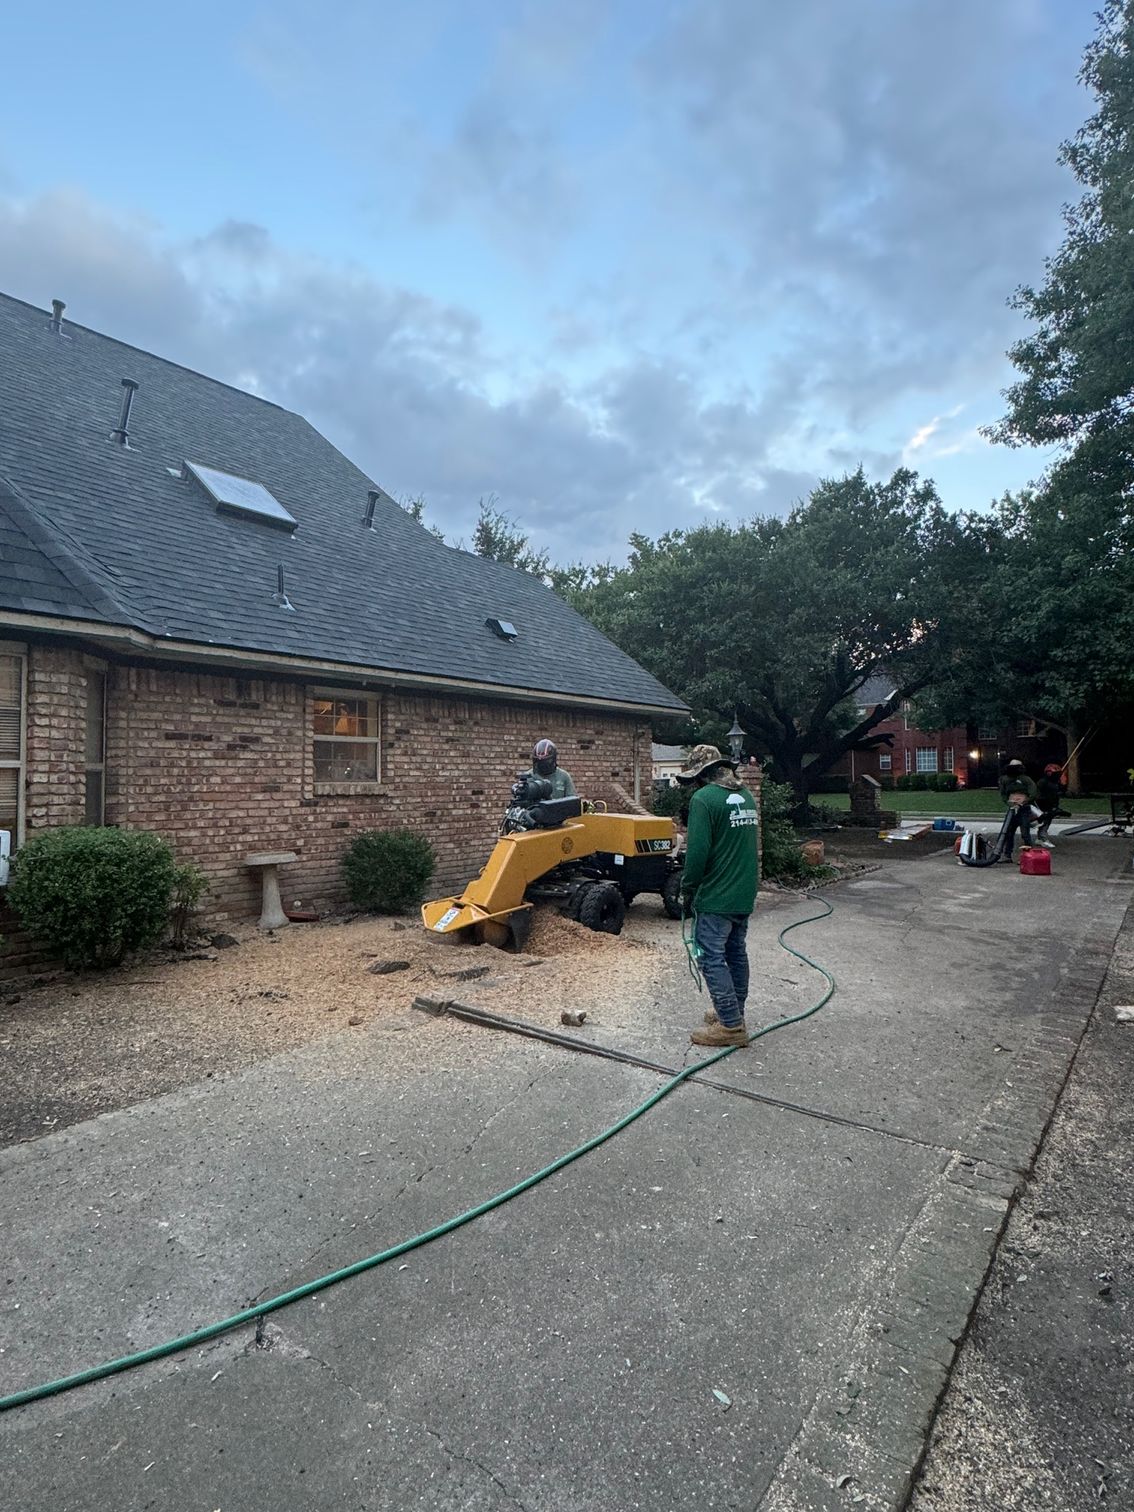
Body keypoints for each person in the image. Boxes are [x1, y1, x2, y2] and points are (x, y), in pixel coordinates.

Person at [675, 744, 760, 1048]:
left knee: (711, 957)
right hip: (744, 891)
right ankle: (734, 1013)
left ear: (701, 774)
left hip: (717, 895)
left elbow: (696, 853)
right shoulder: (746, 796)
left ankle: (731, 1027)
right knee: (735, 952)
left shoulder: (704, 799)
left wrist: (687, 889)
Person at [998, 758, 1038, 863]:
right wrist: (1008, 802)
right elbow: (1003, 793)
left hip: (1024, 809)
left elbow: (1033, 792)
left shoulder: (1025, 779)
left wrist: (1025, 801)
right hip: (1012, 809)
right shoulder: (1005, 779)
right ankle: (1007, 855)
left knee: (1025, 833)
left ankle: (1028, 855)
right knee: (1008, 832)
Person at [1035, 763, 1065, 847]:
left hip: (1051, 805)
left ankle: (1041, 837)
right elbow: (1038, 794)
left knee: (1047, 822)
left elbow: (1058, 792)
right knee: (1044, 822)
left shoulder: (1054, 783)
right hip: (1043, 805)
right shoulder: (1043, 782)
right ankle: (1042, 838)